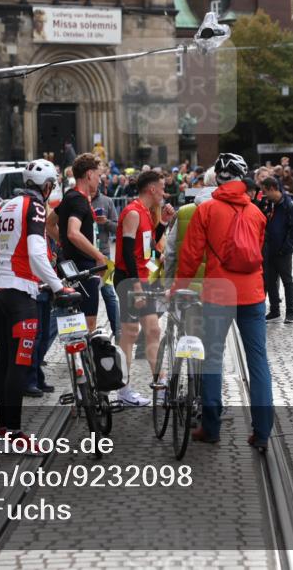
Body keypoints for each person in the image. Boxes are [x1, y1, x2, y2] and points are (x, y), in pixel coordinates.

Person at [173, 153, 273, 450]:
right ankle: (262, 431)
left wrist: (178, 287)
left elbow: (191, 255)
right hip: (253, 294)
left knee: (213, 358)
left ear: (217, 178)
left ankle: (211, 427)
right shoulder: (256, 213)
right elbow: (257, 252)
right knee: (258, 361)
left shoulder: (206, 210)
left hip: (219, 293)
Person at [0, 160, 69, 451]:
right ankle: (16, 433)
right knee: (19, 363)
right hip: (20, 294)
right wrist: (58, 286)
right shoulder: (36, 207)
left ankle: (4, 429)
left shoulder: (4, 206)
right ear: (47, 187)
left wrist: (8, 266)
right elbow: (35, 252)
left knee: (4, 362)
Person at [113, 170, 174, 407]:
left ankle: (160, 384)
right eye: (162, 188)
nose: (164, 192)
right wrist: (137, 286)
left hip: (142, 278)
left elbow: (146, 248)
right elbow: (128, 253)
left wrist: (164, 223)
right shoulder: (132, 212)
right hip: (130, 280)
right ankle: (123, 389)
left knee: (153, 330)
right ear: (152, 189)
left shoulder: (146, 212)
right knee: (130, 333)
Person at [48, 153, 108, 332]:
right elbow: (73, 233)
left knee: (71, 321)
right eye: (98, 175)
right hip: (83, 269)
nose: (99, 180)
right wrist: (98, 256)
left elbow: (49, 224)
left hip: (70, 266)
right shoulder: (79, 200)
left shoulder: (70, 196)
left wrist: (63, 242)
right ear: (89, 174)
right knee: (88, 324)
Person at [260, 176, 293, 324]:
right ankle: (274, 310)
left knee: (287, 281)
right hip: (270, 250)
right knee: (270, 281)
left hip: (283, 252)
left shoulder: (289, 205)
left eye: (265, 191)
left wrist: (285, 247)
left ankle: (290, 312)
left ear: (272, 189)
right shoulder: (270, 205)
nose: (264, 195)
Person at [91, 186, 121, 341]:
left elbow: (117, 228)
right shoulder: (79, 199)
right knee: (87, 295)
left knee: (108, 292)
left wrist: (106, 222)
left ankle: (118, 332)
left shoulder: (107, 201)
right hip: (85, 255)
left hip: (104, 255)